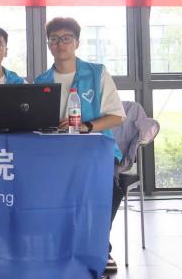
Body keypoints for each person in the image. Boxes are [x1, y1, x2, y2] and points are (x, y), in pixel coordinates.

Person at [34, 17, 125, 276]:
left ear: (77, 42)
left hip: (96, 151)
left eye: (66, 38)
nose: (60, 44)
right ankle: (59, 246)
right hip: (57, 154)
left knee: (107, 189)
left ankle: (101, 247)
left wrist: (86, 126)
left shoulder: (97, 73)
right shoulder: (42, 81)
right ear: (48, 44)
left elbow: (117, 116)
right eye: (54, 39)